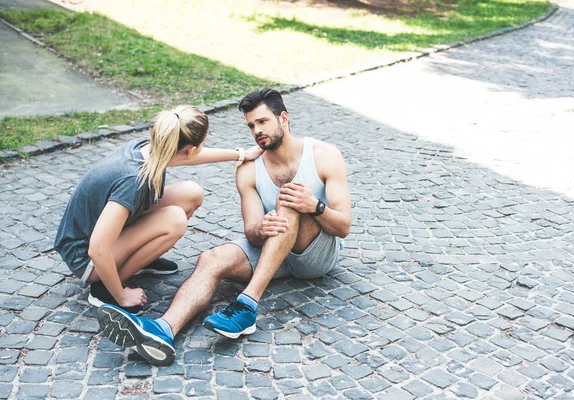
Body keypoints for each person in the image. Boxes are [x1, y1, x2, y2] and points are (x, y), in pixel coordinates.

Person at [96, 88, 351, 366]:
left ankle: (247, 305)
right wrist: (261, 228)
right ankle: (161, 330)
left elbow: (343, 226)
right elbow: (251, 232)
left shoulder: (324, 155)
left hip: (315, 254)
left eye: (263, 122)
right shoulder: (249, 169)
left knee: (290, 200)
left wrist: (314, 205)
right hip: (273, 250)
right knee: (211, 258)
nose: (256, 131)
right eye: (251, 125)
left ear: (284, 118)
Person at [54, 105, 262, 315]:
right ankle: (104, 289)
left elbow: (191, 157)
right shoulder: (132, 179)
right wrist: (121, 295)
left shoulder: (150, 148)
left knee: (192, 193)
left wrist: (242, 154)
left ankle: (142, 257)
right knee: (175, 220)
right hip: (86, 259)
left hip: (106, 235)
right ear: (188, 148)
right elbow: (97, 249)